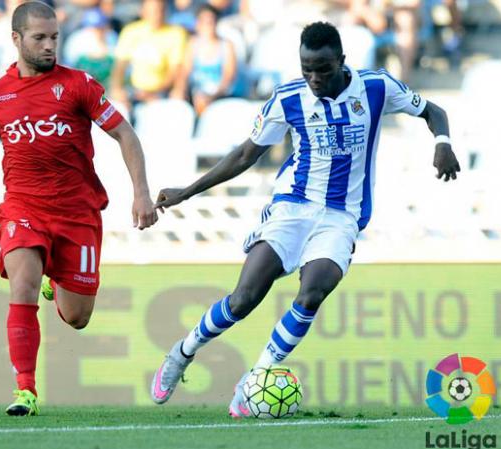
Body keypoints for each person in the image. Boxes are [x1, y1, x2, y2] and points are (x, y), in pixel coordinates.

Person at [149, 21, 460, 416]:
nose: (314, 78)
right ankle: (182, 353)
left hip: (342, 215)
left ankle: (256, 379)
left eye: (323, 69)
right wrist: (187, 191)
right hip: (292, 208)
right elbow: (246, 155)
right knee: (244, 299)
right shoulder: (288, 99)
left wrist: (443, 143)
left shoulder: (377, 87)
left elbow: (434, 111)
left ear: (342, 61)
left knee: (312, 292)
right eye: (306, 68)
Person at [0, 1, 157, 416]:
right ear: (16, 40)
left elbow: (125, 135)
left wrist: (141, 193)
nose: (49, 46)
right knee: (21, 282)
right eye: (39, 38)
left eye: (54, 37)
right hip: (24, 208)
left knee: (77, 317)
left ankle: (54, 276)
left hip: (77, 213)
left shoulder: (78, 85)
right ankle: (25, 390)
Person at [110, 0, 187, 109]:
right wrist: (117, 88)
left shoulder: (176, 33)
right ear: (143, 12)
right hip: (134, 91)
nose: (157, 14)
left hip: (162, 92)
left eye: (160, 10)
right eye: (153, 11)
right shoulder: (130, 31)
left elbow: (175, 70)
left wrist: (152, 92)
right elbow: (120, 66)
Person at [171, 4, 237, 115]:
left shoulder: (226, 45)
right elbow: (185, 71)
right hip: (197, 95)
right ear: (198, 24)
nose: (208, 26)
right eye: (205, 22)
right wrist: (179, 90)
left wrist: (212, 95)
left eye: (211, 21)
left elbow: (228, 77)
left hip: (220, 95)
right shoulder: (193, 44)